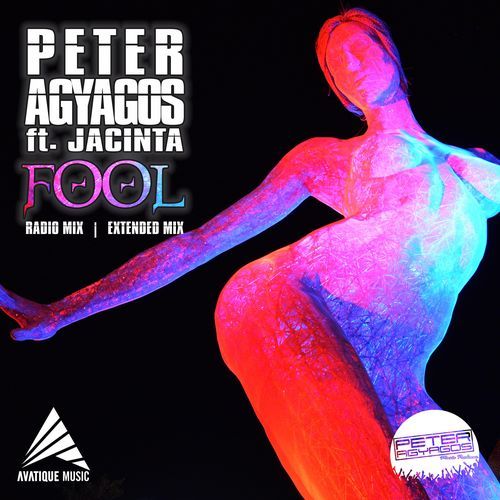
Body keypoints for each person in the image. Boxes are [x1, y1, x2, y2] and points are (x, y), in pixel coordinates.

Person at [2, 8, 499, 499]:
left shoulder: (478, 164)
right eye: (336, 66)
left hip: (399, 375)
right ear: (339, 92)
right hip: (288, 301)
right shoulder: (327, 157)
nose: (351, 65)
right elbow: (201, 241)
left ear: (387, 48)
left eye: (357, 48)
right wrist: (65, 309)